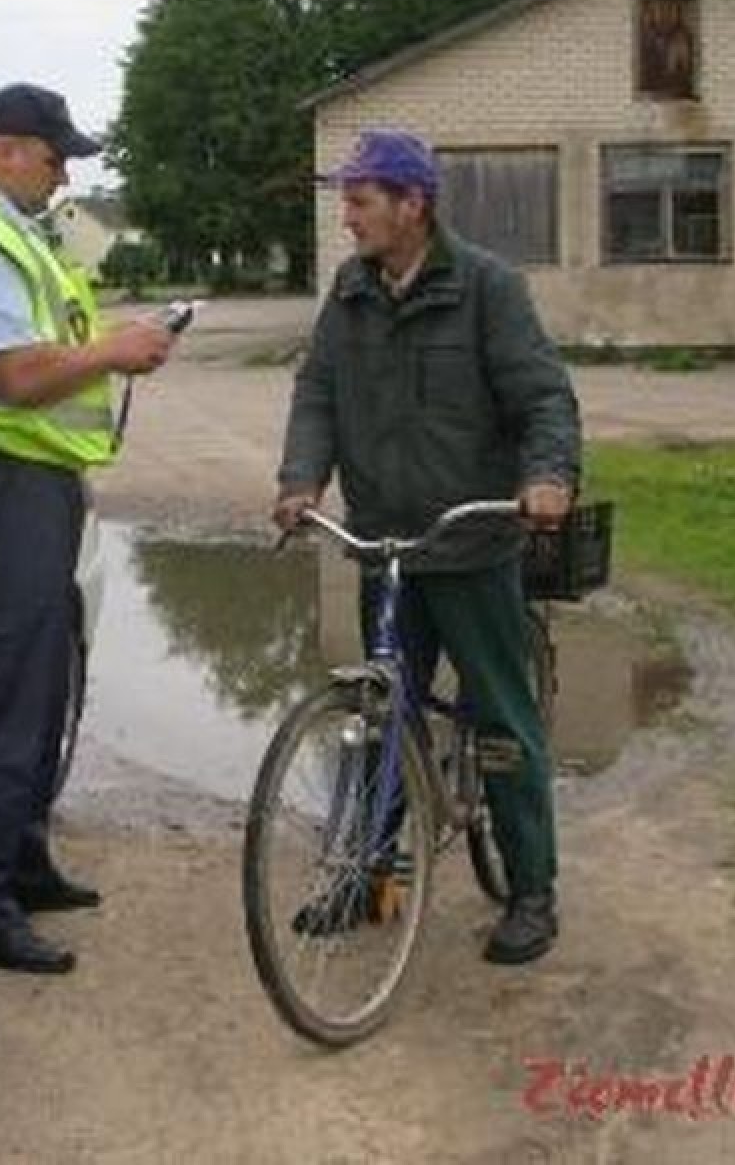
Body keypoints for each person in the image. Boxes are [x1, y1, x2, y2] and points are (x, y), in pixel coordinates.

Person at [272, 129, 580, 965]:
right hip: (387, 548)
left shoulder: (488, 288)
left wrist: (548, 477)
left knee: (501, 725)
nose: (348, 218)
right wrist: (301, 481)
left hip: (473, 546)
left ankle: (530, 892)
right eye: (346, 200)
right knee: (378, 718)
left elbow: (544, 399)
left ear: (414, 205)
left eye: (361, 201)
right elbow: (319, 396)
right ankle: (364, 875)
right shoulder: (349, 292)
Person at [0, 83, 175, 976]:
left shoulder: (22, 236)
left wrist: (114, 343)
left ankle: (20, 864)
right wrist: (114, 351)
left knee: (39, 690)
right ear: (5, 148)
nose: (66, 172)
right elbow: (18, 376)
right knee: (1, 698)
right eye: (56, 154)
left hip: (37, 486)